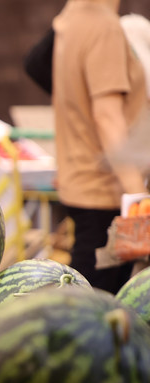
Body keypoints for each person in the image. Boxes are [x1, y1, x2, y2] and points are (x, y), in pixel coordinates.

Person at [52, 0, 148, 293]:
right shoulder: (104, 28)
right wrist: (139, 200)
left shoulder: (72, 17)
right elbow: (107, 117)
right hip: (106, 193)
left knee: (89, 297)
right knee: (97, 304)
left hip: (82, 183)